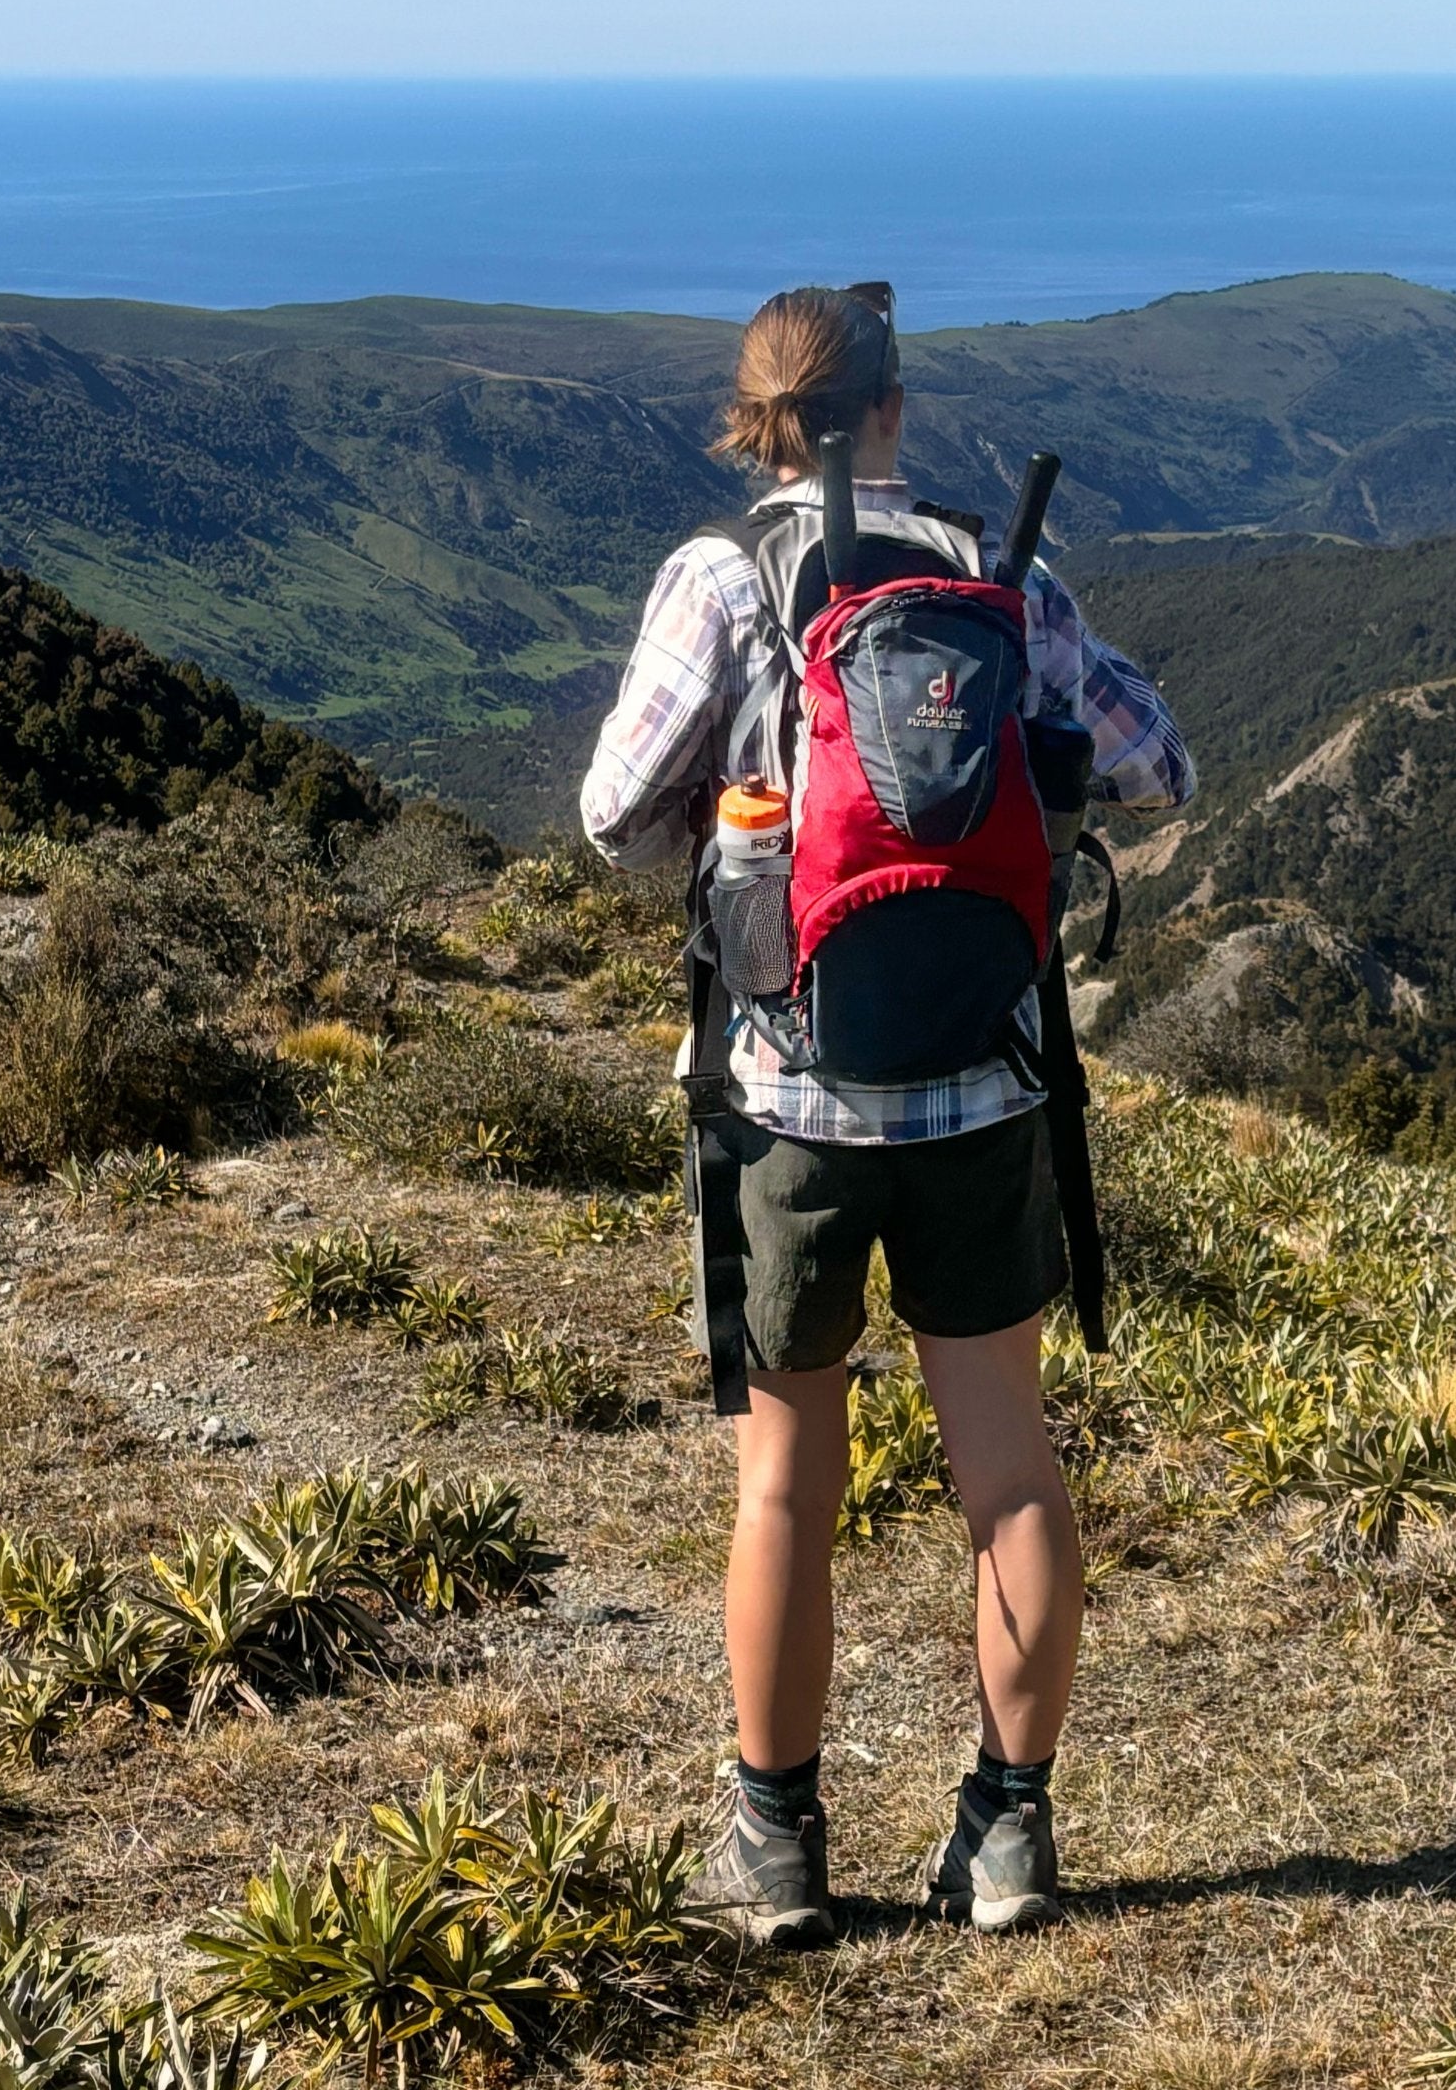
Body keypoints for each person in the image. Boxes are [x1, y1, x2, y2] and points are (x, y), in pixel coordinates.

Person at [579, 281, 1194, 1947]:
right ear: (898, 410)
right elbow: (1164, 772)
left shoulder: (723, 578)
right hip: (986, 1094)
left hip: (786, 1093)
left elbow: (611, 807)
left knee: (786, 1475)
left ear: (753, 418)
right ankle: (1008, 1834)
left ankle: (775, 1846)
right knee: (1011, 1471)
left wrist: (737, 840)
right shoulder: (1007, 578)